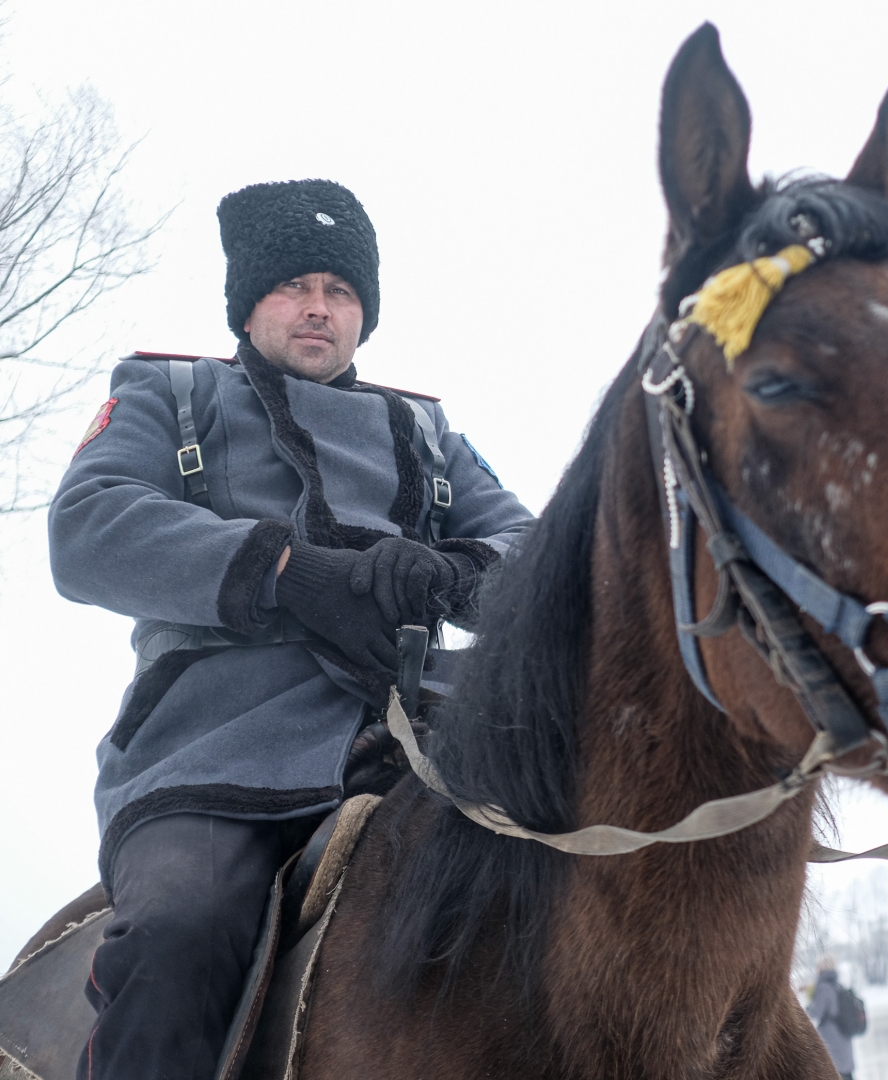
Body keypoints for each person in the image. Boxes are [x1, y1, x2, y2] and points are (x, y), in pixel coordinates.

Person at [48, 179, 535, 1080]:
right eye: (294, 286)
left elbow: (534, 553)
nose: (319, 308)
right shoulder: (170, 394)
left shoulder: (428, 433)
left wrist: (456, 573)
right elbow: (90, 527)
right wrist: (288, 570)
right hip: (214, 752)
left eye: (341, 291)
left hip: (429, 739)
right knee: (180, 934)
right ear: (247, 301)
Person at [806, 956, 857, 1080]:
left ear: (822, 967)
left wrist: (807, 1007)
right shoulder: (837, 985)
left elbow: (816, 1012)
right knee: (847, 1075)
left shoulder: (823, 987)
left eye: (817, 966)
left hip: (831, 1040)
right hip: (843, 1038)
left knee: (834, 1074)